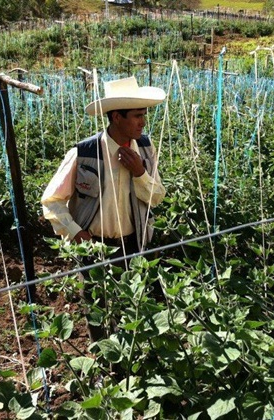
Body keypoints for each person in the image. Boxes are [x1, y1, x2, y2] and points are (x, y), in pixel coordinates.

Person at [41, 76, 166, 340]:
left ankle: (127, 361)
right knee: (97, 308)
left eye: (144, 115)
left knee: (131, 307)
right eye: (136, 116)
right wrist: (76, 232)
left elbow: (156, 197)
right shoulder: (84, 152)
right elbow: (51, 200)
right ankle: (103, 360)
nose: (143, 122)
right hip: (94, 245)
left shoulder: (144, 148)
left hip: (133, 243)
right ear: (116, 118)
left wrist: (140, 173)